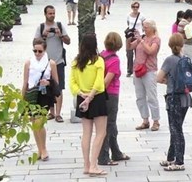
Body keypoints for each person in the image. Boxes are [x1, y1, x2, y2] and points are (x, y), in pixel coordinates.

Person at [69, 33, 108, 177]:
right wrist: (90, 97)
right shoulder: (98, 61)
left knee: (86, 133)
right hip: (96, 98)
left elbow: (72, 83)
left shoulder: (76, 62)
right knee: (100, 132)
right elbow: (99, 83)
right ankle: (93, 165)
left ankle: (86, 165)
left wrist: (81, 94)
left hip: (81, 97)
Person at [156, 33, 192, 171]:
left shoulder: (170, 60)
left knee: (176, 129)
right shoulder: (186, 59)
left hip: (173, 98)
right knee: (176, 127)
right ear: (182, 44)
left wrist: (169, 82)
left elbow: (159, 78)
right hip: (186, 98)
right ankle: (171, 157)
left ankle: (179, 161)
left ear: (170, 45)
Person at [21, 38, 59, 162]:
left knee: (39, 122)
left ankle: (44, 149)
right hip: (31, 94)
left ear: (45, 50)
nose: (37, 53)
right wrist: (22, 99)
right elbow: (25, 82)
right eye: (35, 51)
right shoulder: (28, 63)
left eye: (40, 51)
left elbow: (56, 83)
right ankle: (39, 149)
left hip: (44, 95)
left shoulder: (51, 63)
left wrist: (47, 82)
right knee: (34, 123)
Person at [97, 32, 131, 166]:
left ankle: (116, 152)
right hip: (110, 94)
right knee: (108, 125)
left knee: (110, 125)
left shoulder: (101, 56)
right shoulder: (114, 60)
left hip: (100, 95)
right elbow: (106, 81)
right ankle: (103, 156)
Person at [34, 5, 71, 123]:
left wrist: (61, 35)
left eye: (53, 13)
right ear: (45, 14)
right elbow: (35, 43)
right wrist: (43, 35)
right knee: (48, 87)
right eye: (50, 13)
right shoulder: (40, 27)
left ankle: (58, 114)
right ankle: (52, 112)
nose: (52, 15)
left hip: (59, 61)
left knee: (59, 87)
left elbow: (68, 41)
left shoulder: (59, 26)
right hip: (45, 63)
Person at [132, 19, 161, 132]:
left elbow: (151, 51)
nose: (144, 29)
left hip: (149, 70)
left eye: (146, 27)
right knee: (140, 96)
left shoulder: (156, 39)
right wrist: (130, 36)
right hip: (138, 69)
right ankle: (145, 119)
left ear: (152, 28)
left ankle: (156, 120)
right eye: (143, 26)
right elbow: (129, 47)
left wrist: (142, 41)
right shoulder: (142, 38)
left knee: (152, 96)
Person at [125, 2, 146, 77]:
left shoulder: (142, 16)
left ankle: (137, 68)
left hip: (138, 37)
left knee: (138, 54)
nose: (135, 8)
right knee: (129, 54)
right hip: (130, 37)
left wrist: (142, 32)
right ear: (131, 7)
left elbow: (144, 25)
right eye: (134, 7)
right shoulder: (128, 15)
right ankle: (129, 70)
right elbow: (128, 23)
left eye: (137, 7)